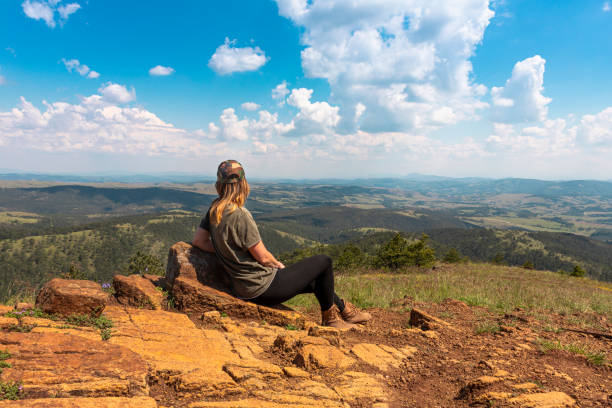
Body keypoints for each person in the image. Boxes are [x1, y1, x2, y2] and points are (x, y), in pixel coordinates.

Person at [192, 160, 371, 329]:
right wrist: (278, 265)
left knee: (317, 281)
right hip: (262, 287)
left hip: (243, 287)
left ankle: (345, 310)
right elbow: (262, 257)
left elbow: (199, 241)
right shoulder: (240, 214)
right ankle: (330, 320)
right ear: (242, 183)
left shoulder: (214, 210)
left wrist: (227, 253)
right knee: (324, 261)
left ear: (220, 184)